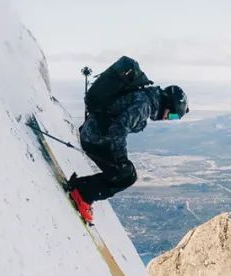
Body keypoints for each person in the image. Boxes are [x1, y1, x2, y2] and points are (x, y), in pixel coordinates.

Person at [66, 63, 188, 224]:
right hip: (94, 139)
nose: (168, 119)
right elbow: (118, 129)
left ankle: (81, 188)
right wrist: (121, 160)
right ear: (168, 106)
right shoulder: (144, 106)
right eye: (172, 116)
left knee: (123, 171)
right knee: (126, 176)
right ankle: (82, 194)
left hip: (92, 132)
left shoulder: (145, 96)